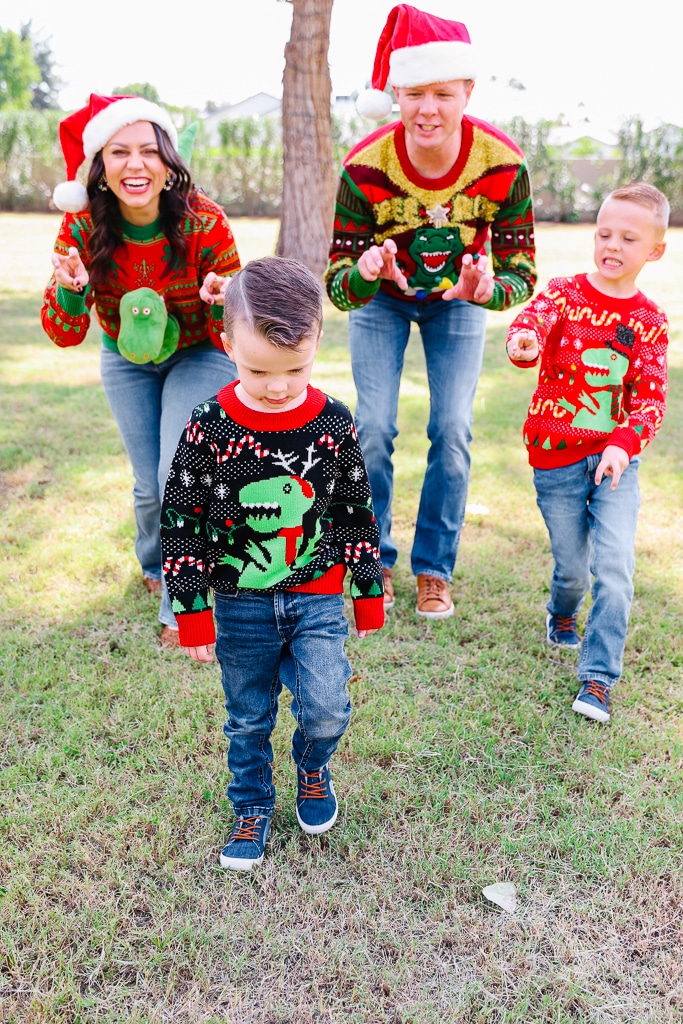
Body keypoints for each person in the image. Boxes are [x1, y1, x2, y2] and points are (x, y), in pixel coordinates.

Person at [160, 256, 384, 870]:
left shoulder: (334, 422)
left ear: (317, 341)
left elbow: (354, 509)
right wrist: (192, 612)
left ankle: (313, 767)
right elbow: (182, 521)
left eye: (296, 368)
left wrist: (367, 590)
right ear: (226, 342)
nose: (279, 385)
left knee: (328, 704)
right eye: (259, 369)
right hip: (239, 601)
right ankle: (251, 805)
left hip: (316, 594)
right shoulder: (207, 424)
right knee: (248, 715)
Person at [325, 4, 536, 620]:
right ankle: (372, 563)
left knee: (452, 429)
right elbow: (337, 286)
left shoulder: (503, 166)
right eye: (414, 92)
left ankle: (434, 570)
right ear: (394, 93)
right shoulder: (363, 167)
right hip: (383, 305)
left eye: (444, 93)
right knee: (373, 428)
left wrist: (481, 291)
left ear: (468, 91)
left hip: (457, 304)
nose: (428, 109)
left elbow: (521, 275)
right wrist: (365, 272)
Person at [41, 94, 241, 646]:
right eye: (119, 152)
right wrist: (72, 287)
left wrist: (220, 300)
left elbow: (238, 324)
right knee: (148, 484)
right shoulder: (80, 224)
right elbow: (62, 333)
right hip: (124, 359)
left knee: (177, 475)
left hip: (199, 353)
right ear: (100, 167)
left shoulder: (205, 220)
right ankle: (153, 564)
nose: (135, 164)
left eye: (148, 152)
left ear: (167, 161)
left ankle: (181, 608)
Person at [506, 183, 669, 723]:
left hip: (614, 459)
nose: (612, 245)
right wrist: (522, 341)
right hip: (554, 455)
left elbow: (650, 400)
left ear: (655, 251)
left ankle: (598, 680)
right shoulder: (564, 293)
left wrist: (623, 447)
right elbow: (533, 320)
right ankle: (561, 609)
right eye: (604, 233)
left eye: (628, 237)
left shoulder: (649, 322)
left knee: (615, 569)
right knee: (573, 566)